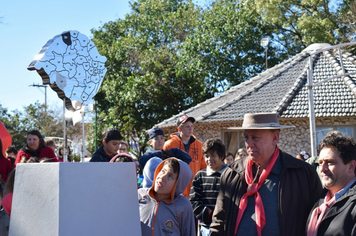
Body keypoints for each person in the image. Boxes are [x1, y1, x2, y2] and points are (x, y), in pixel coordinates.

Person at [210, 113, 322, 236]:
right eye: (246, 137)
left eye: (255, 137)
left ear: (275, 138)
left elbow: (316, 220)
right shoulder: (232, 174)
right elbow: (219, 222)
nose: (249, 143)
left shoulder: (302, 173)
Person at [306, 131, 356, 236]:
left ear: (351, 166)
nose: (322, 169)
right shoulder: (320, 201)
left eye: (330, 162)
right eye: (320, 163)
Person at [138, 158, 195, 236]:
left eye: (170, 176)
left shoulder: (183, 205)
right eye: (163, 171)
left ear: (178, 184)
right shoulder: (140, 195)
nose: (162, 177)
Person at [190, 139, 229, 236]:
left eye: (213, 155)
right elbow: (194, 201)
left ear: (222, 156)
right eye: (206, 156)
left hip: (227, 226)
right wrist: (210, 216)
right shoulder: (200, 176)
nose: (209, 159)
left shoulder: (231, 174)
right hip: (206, 227)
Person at [163, 115, 206, 198]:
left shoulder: (200, 145)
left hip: (194, 188)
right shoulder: (169, 145)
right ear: (179, 129)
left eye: (191, 126)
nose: (190, 129)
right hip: (174, 187)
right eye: (187, 127)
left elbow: (203, 168)